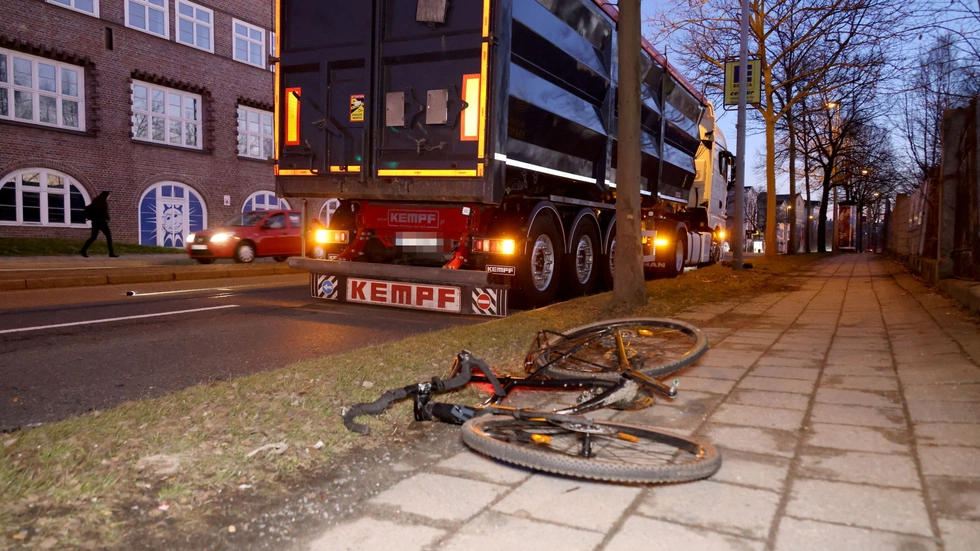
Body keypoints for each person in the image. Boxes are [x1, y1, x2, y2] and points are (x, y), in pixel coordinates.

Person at [81, 191, 119, 257]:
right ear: (106, 196)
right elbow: (105, 212)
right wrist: (108, 219)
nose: (109, 197)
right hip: (102, 222)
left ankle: (83, 250)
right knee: (108, 236)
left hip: (95, 222)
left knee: (93, 237)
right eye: (109, 196)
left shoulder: (95, 201)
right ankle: (111, 253)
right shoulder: (104, 202)